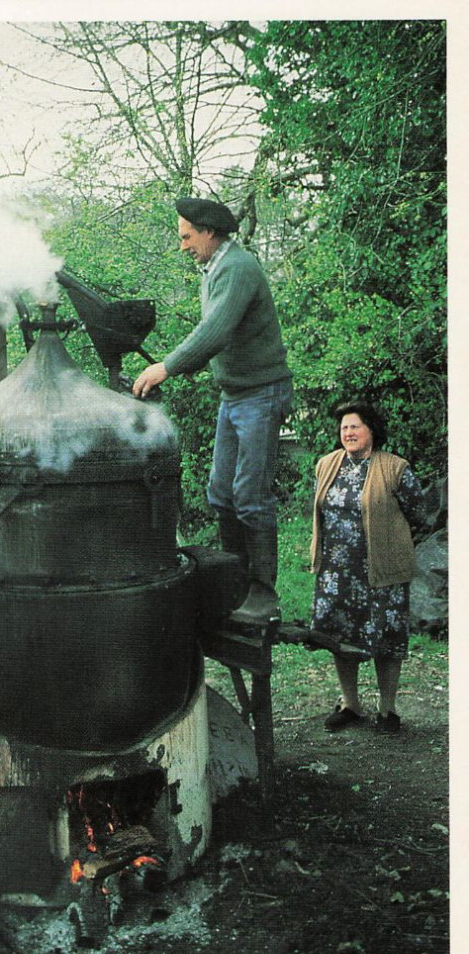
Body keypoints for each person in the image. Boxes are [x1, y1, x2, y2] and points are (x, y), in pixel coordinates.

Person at [133, 197, 293, 624]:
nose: (183, 246)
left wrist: (167, 366)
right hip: (235, 395)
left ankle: (264, 593)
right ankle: (236, 584)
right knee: (221, 493)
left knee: (250, 497)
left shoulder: (237, 268)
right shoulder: (214, 270)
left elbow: (215, 331)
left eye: (187, 237)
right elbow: (214, 336)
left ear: (209, 232)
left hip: (262, 393)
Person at [310, 400, 427, 734]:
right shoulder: (327, 465)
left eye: (355, 426)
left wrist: (392, 544)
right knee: (341, 639)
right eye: (344, 427)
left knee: (386, 639)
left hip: (381, 572)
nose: (348, 432)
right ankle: (350, 704)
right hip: (337, 574)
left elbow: (419, 515)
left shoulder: (395, 468)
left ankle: (387, 710)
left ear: (371, 430)